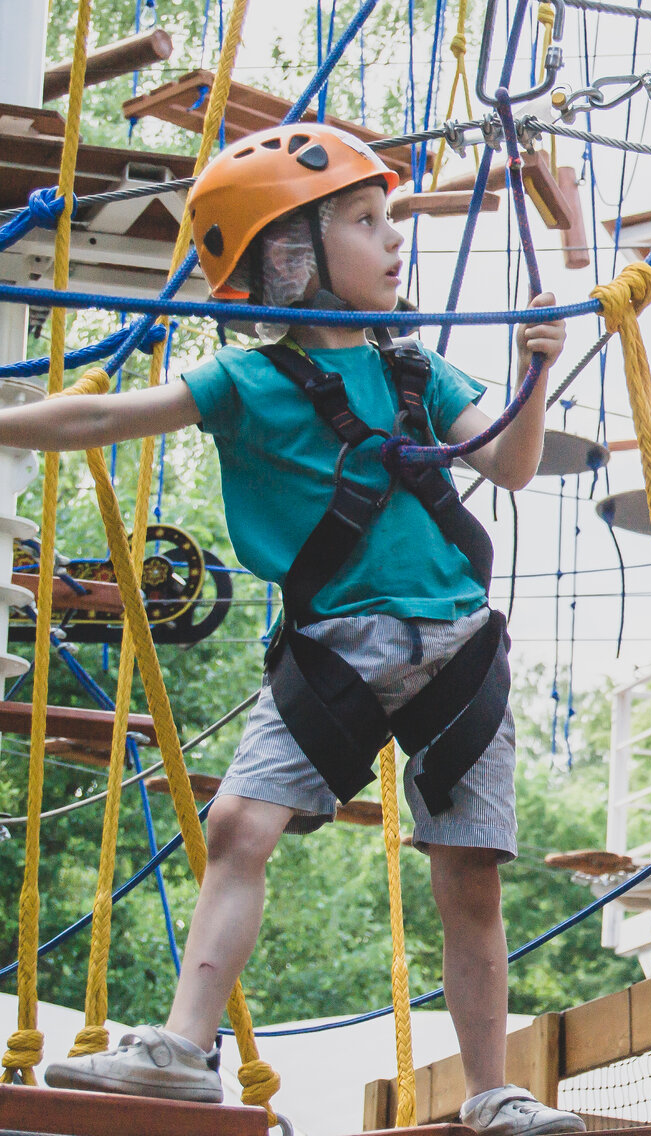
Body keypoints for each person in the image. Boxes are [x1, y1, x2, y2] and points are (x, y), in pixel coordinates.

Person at [10, 123, 585, 1135]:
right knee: (239, 826)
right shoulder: (247, 384)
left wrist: (539, 370)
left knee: (469, 873)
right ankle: (186, 1051)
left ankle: (491, 1088)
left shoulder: (419, 372)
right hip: (336, 651)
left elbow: (511, 465)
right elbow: (102, 420)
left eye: (388, 218)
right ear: (290, 257)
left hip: (455, 644)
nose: (394, 241)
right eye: (365, 223)